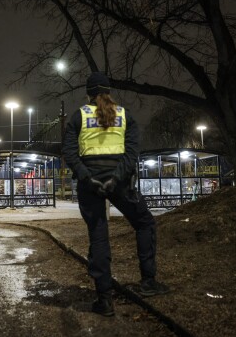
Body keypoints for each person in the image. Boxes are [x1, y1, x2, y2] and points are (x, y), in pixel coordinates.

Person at [63, 71, 169, 317]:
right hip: (120, 184)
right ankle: (148, 281)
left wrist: (88, 178)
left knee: (99, 237)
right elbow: (132, 153)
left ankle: (105, 299)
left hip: (90, 185)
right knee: (144, 223)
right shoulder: (124, 115)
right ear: (109, 92)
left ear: (88, 94)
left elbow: (69, 151)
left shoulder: (79, 116)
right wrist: (116, 178)